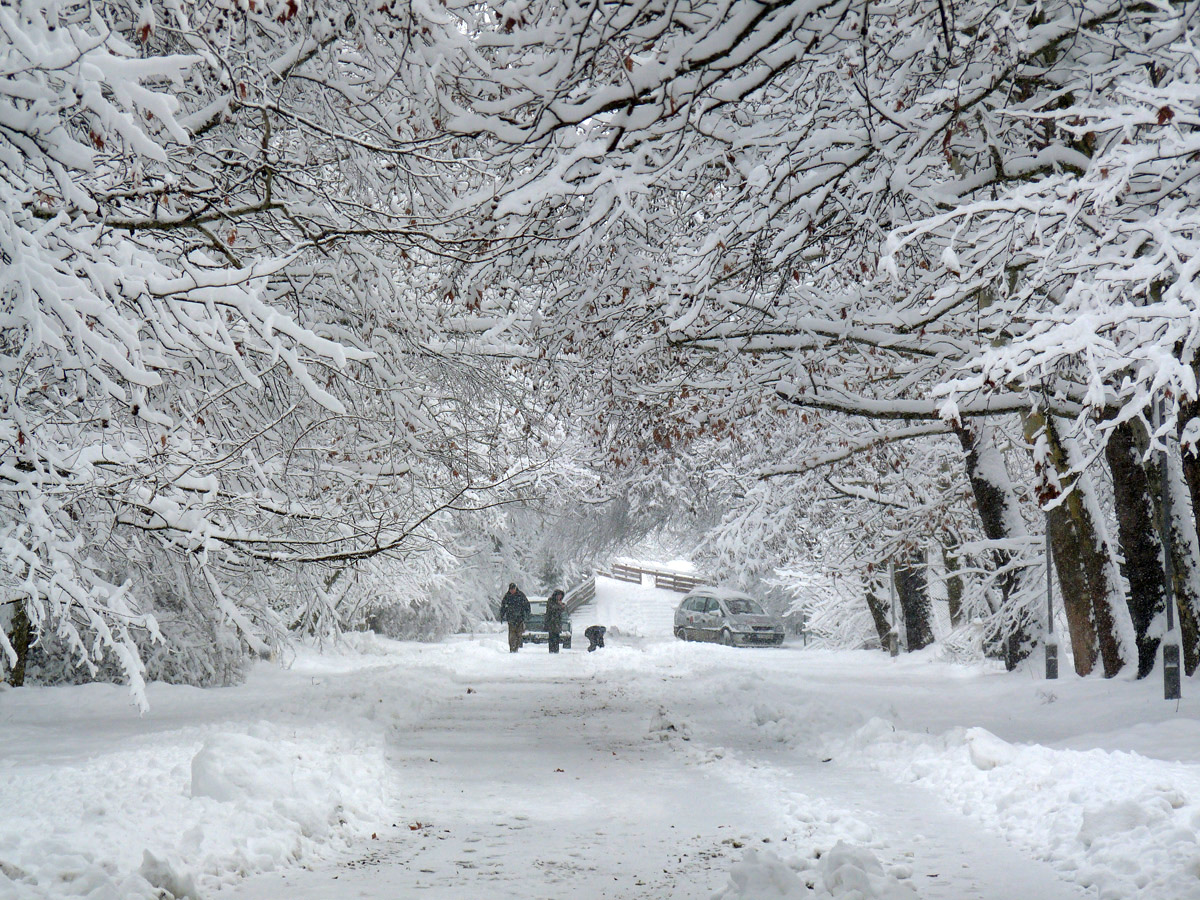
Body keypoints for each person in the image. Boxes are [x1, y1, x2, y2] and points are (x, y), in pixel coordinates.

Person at [498, 583, 530, 653]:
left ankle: (516, 647)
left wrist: (527, 614)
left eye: (513, 589)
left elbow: (527, 605)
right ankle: (512, 648)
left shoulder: (521, 595)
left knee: (519, 635)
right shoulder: (507, 596)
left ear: (516, 589)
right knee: (512, 635)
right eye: (511, 589)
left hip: (519, 619)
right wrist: (502, 615)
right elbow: (503, 606)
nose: (512, 591)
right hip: (511, 619)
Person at [545, 589, 566, 653]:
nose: (559, 597)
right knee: (552, 636)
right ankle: (551, 650)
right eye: (558, 595)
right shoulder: (550, 601)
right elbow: (552, 608)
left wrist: (562, 606)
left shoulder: (560, 602)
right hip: (551, 621)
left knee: (557, 636)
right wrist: (560, 606)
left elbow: (562, 610)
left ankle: (556, 650)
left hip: (557, 621)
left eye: (561, 596)